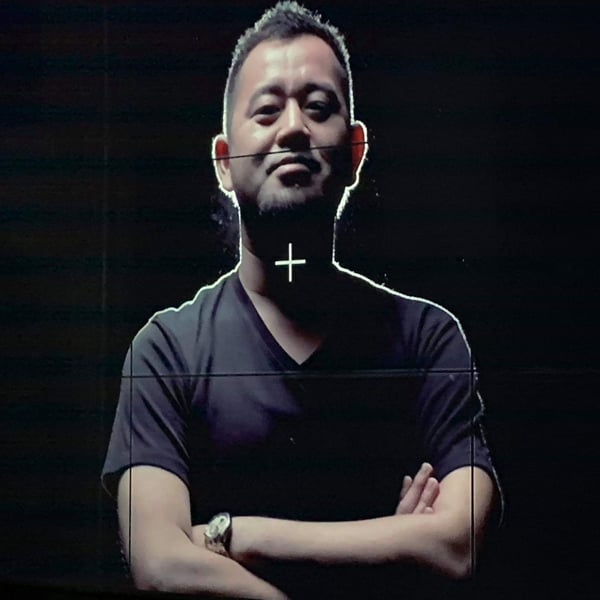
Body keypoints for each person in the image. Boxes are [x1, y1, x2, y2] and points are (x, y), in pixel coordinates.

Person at [101, 2, 503, 598]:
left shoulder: (428, 339)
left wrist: (236, 534)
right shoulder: (166, 351)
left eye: (318, 108)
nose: (293, 128)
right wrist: (391, 547)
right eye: (267, 111)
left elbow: (456, 543)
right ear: (223, 162)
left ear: (355, 152)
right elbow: (160, 564)